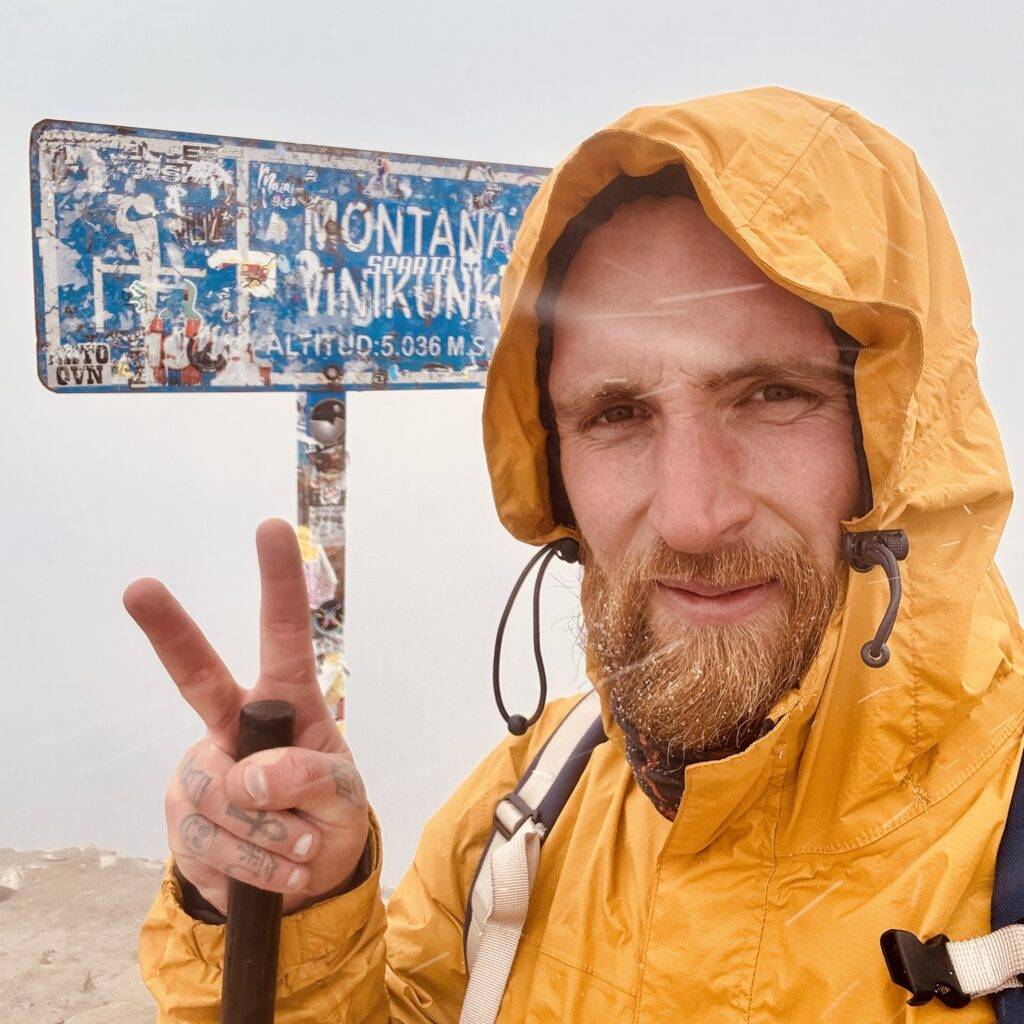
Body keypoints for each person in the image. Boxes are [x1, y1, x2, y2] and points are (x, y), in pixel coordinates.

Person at [129, 85, 1024, 1022]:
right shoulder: (520, 812)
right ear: (553, 469)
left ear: (903, 432)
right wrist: (292, 917)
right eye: (617, 414)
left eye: (771, 395)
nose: (689, 516)